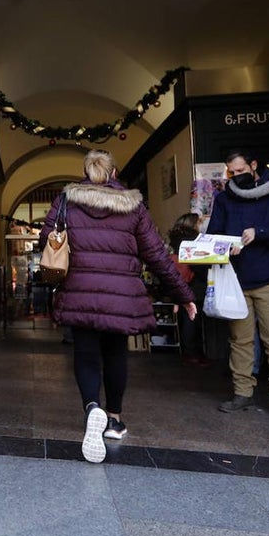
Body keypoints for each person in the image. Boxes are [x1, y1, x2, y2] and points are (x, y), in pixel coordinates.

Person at [40, 150, 196, 463]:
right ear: (113, 174)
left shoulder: (67, 201)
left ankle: (91, 408)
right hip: (120, 296)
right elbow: (157, 256)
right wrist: (183, 294)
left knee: (85, 355)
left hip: (80, 292)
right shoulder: (133, 206)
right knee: (115, 354)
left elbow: (47, 239)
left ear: (86, 173)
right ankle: (113, 418)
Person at [207, 149, 269, 423]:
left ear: (254, 165)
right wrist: (226, 248)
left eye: (240, 171)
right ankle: (242, 393)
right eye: (231, 172)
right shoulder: (224, 199)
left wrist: (262, 233)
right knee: (240, 341)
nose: (235, 176)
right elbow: (213, 234)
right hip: (236, 281)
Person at [167, 213, 209, 366]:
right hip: (193, 286)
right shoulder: (193, 240)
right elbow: (197, 264)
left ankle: (190, 353)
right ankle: (193, 354)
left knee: (186, 320)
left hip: (180, 285)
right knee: (193, 322)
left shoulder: (176, 240)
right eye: (198, 222)